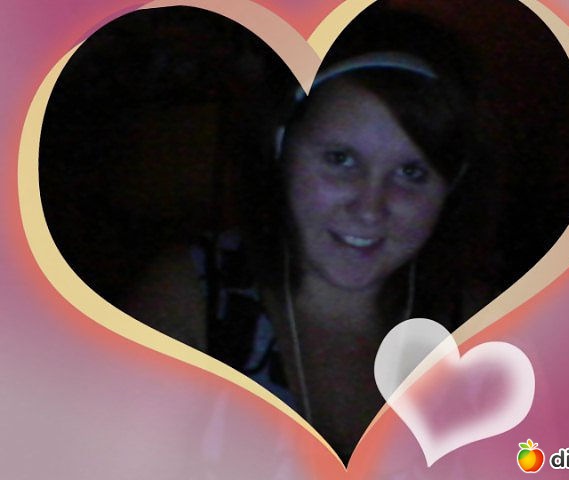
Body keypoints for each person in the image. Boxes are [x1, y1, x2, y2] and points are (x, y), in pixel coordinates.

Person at [124, 5, 496, 462]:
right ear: (281, 149)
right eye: (341, 159)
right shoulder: (191, 298)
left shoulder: (480, 330)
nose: (369, 208)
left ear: (451, 184)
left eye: (411, 172)